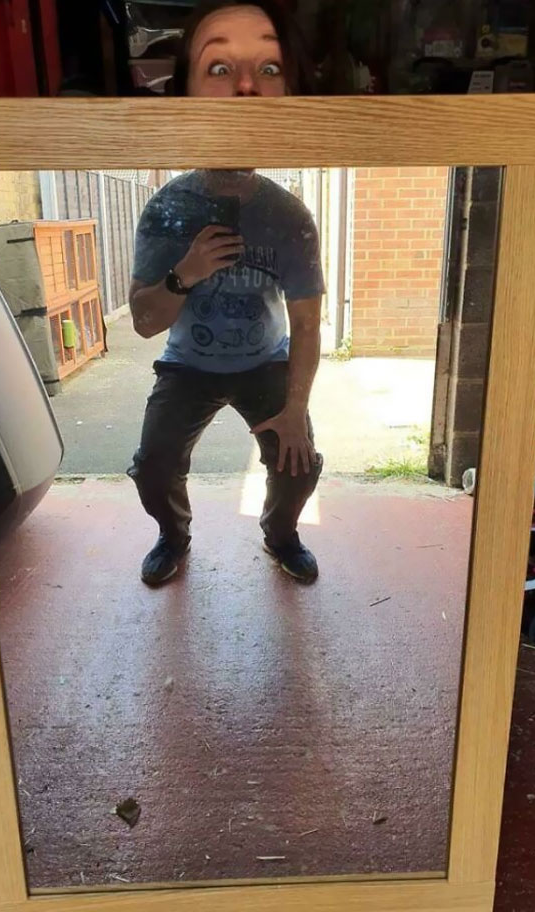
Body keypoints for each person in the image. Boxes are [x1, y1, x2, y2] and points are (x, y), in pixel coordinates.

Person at [128, 0, 324, 586]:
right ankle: (173, 535)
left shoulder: (288, 216)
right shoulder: (167, 210)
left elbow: (307, 324)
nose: (244, 88)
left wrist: (295, 410)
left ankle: (281, 535)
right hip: (188, 365)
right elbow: (143, 322)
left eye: (268, 68)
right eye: (218, 68)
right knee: (153, 469)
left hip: (265, 362)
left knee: (299, 464)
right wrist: (184, 273)